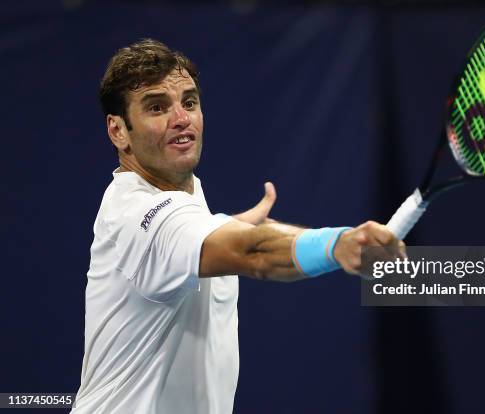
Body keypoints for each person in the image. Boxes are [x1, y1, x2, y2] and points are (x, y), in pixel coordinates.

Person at [71, 38, 403, 414]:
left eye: (190, 102)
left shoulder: (181, 204)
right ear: (118, 131)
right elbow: (253, 252)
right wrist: (336, 245)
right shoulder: (141, 215)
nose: (182, 118)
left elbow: (240, 237)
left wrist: (244, 227)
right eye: (157, 107)